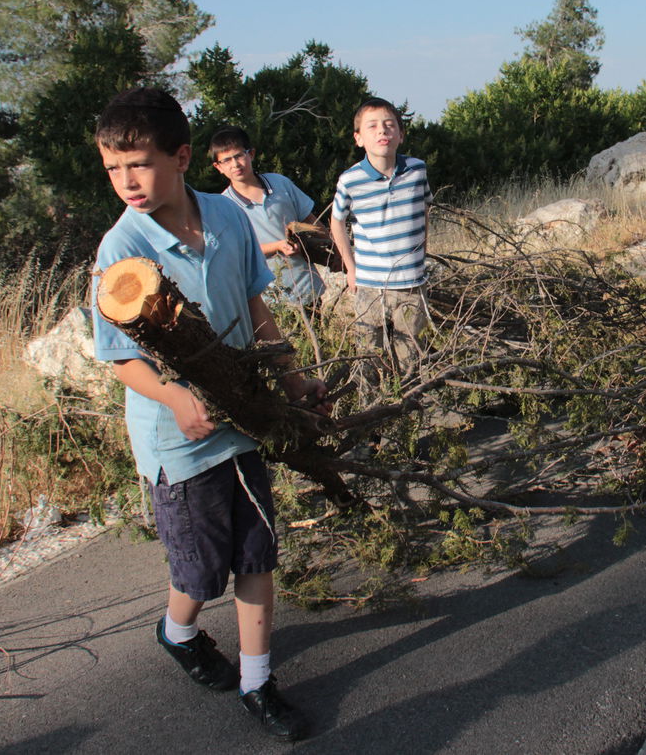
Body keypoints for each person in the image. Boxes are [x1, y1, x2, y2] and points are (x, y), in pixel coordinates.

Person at [90, 88, 322, 742]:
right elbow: (119, 358)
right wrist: (174, 396)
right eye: (112, 168)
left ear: (182, 156)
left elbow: (255, 306)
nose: (126, 180)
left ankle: (258, 682)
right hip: (178, 440)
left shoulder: (226, 216)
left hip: (241, 418)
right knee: (200, 570)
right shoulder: (121, 248)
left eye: (139, 163)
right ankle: (178, 630)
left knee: (256, 553)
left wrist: (293, 378)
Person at [329, 97, 432, 372]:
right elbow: (336, 222)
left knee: (411, 355)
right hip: (370, 284)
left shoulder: (417, 170)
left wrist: (422, 252)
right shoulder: (350, 180)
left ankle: (409, 396)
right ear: (358, 138)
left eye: (389, 125)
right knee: (368, 355)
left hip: (411, 283)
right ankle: (370, 397)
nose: (382, 131)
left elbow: (424, 209)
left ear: (401, 134)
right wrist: (351, 268)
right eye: (372, 126)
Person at [208, 125, 326, 310]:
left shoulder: (280, 183)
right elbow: (237, 251)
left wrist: (333, 246)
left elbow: (310, 220)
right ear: (218, 167)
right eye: (227, 160)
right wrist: (277, 246)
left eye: (239, 156)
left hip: (306, 284)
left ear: (251, 154)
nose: (235, 164)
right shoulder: (224, 206)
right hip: (269, 296)